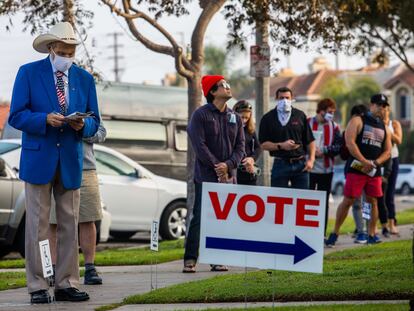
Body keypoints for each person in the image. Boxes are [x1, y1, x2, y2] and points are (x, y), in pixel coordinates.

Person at [8, 22, 100, 303]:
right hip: (39, 159)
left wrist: (80, 127)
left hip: (71, 160)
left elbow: (94, 121)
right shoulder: (28, 73)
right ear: (51, 48)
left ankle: (66, 283)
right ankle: (37, 285)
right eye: (62, 50)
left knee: (70, 224)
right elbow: (16, 115)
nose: (67, 55)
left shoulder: (85, 79)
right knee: (37, 226)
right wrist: (43, 119)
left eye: (71, 51)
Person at [183, 75, 245, 273]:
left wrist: (228, 165)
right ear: (212, 91)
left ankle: (218, 259)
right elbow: (198, 144)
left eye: (228, 84)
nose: (228, 87)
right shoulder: (200, 115)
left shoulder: (234, 116)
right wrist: (216, 166)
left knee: (223, 220)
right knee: (200, 217)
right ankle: (190, 259)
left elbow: (240, 146)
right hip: (206, 176)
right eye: (223, 85)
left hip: (228, 177)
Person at [325, 94, 392, 247]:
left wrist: (375, 163)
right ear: (372, 105)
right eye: (379, 105)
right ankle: (334, 233)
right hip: (356, 168)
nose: (381, 108)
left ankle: (372, 234)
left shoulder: (385, 128)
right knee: (349, 200)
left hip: (374, 170)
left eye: (384, 106)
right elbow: (350, 143)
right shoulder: (358, 120)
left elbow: (387, 151)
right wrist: (363, 161)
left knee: (373, 201)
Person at [49, 122, 107, 285]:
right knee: (52, 222)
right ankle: (53, 269)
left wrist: (82, 128)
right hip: (56, 166)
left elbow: (101, 133)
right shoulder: (48, 98)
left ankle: (89, 268)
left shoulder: (86, 100)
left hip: (85, 168)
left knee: (88, 218)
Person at [259, 87, 315, 189]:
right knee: (278, 199)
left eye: (287, 98)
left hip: (300, 164)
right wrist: (281, 145)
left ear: (291, 98)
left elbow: (310, 140)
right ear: (276, 98)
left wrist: (311, 160)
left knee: (301, 199)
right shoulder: (268, 118)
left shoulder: (300, 115)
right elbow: (263, 144)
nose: (284, 101)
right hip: (280, 163)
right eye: (281, 98)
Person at [308, 98, 342, 237]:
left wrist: (325, 151)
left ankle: (321, 234)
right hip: (309, 169)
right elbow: (300, 141)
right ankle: (307, 232)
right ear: (321, 111)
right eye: (329, 112)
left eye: (333, 112)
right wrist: (310, 152)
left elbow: (338, 147)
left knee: (323, 203)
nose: (331, 115)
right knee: (308, 201)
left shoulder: (334, 127)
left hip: (326, 170)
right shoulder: (307, 123)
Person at [378, 105, 402, 236]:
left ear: (388, 110)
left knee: (390, 195)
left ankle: (392, 223)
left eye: (385, 109)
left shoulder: (394, 123)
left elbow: (398, 140)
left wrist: (387, 130)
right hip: (380, 161)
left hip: (393, 159)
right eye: (381, 109)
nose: (383, 111)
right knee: (378, 195)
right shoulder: (376, 124)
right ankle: (382, 225)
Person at [233, 100, 262, 185]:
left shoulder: (250, 130)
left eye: (247, 118)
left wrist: (252, 159)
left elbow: (258, 147)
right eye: (242, 117)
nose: (244, 120)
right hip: (234, 171)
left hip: (249, 171)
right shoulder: (229, 129)